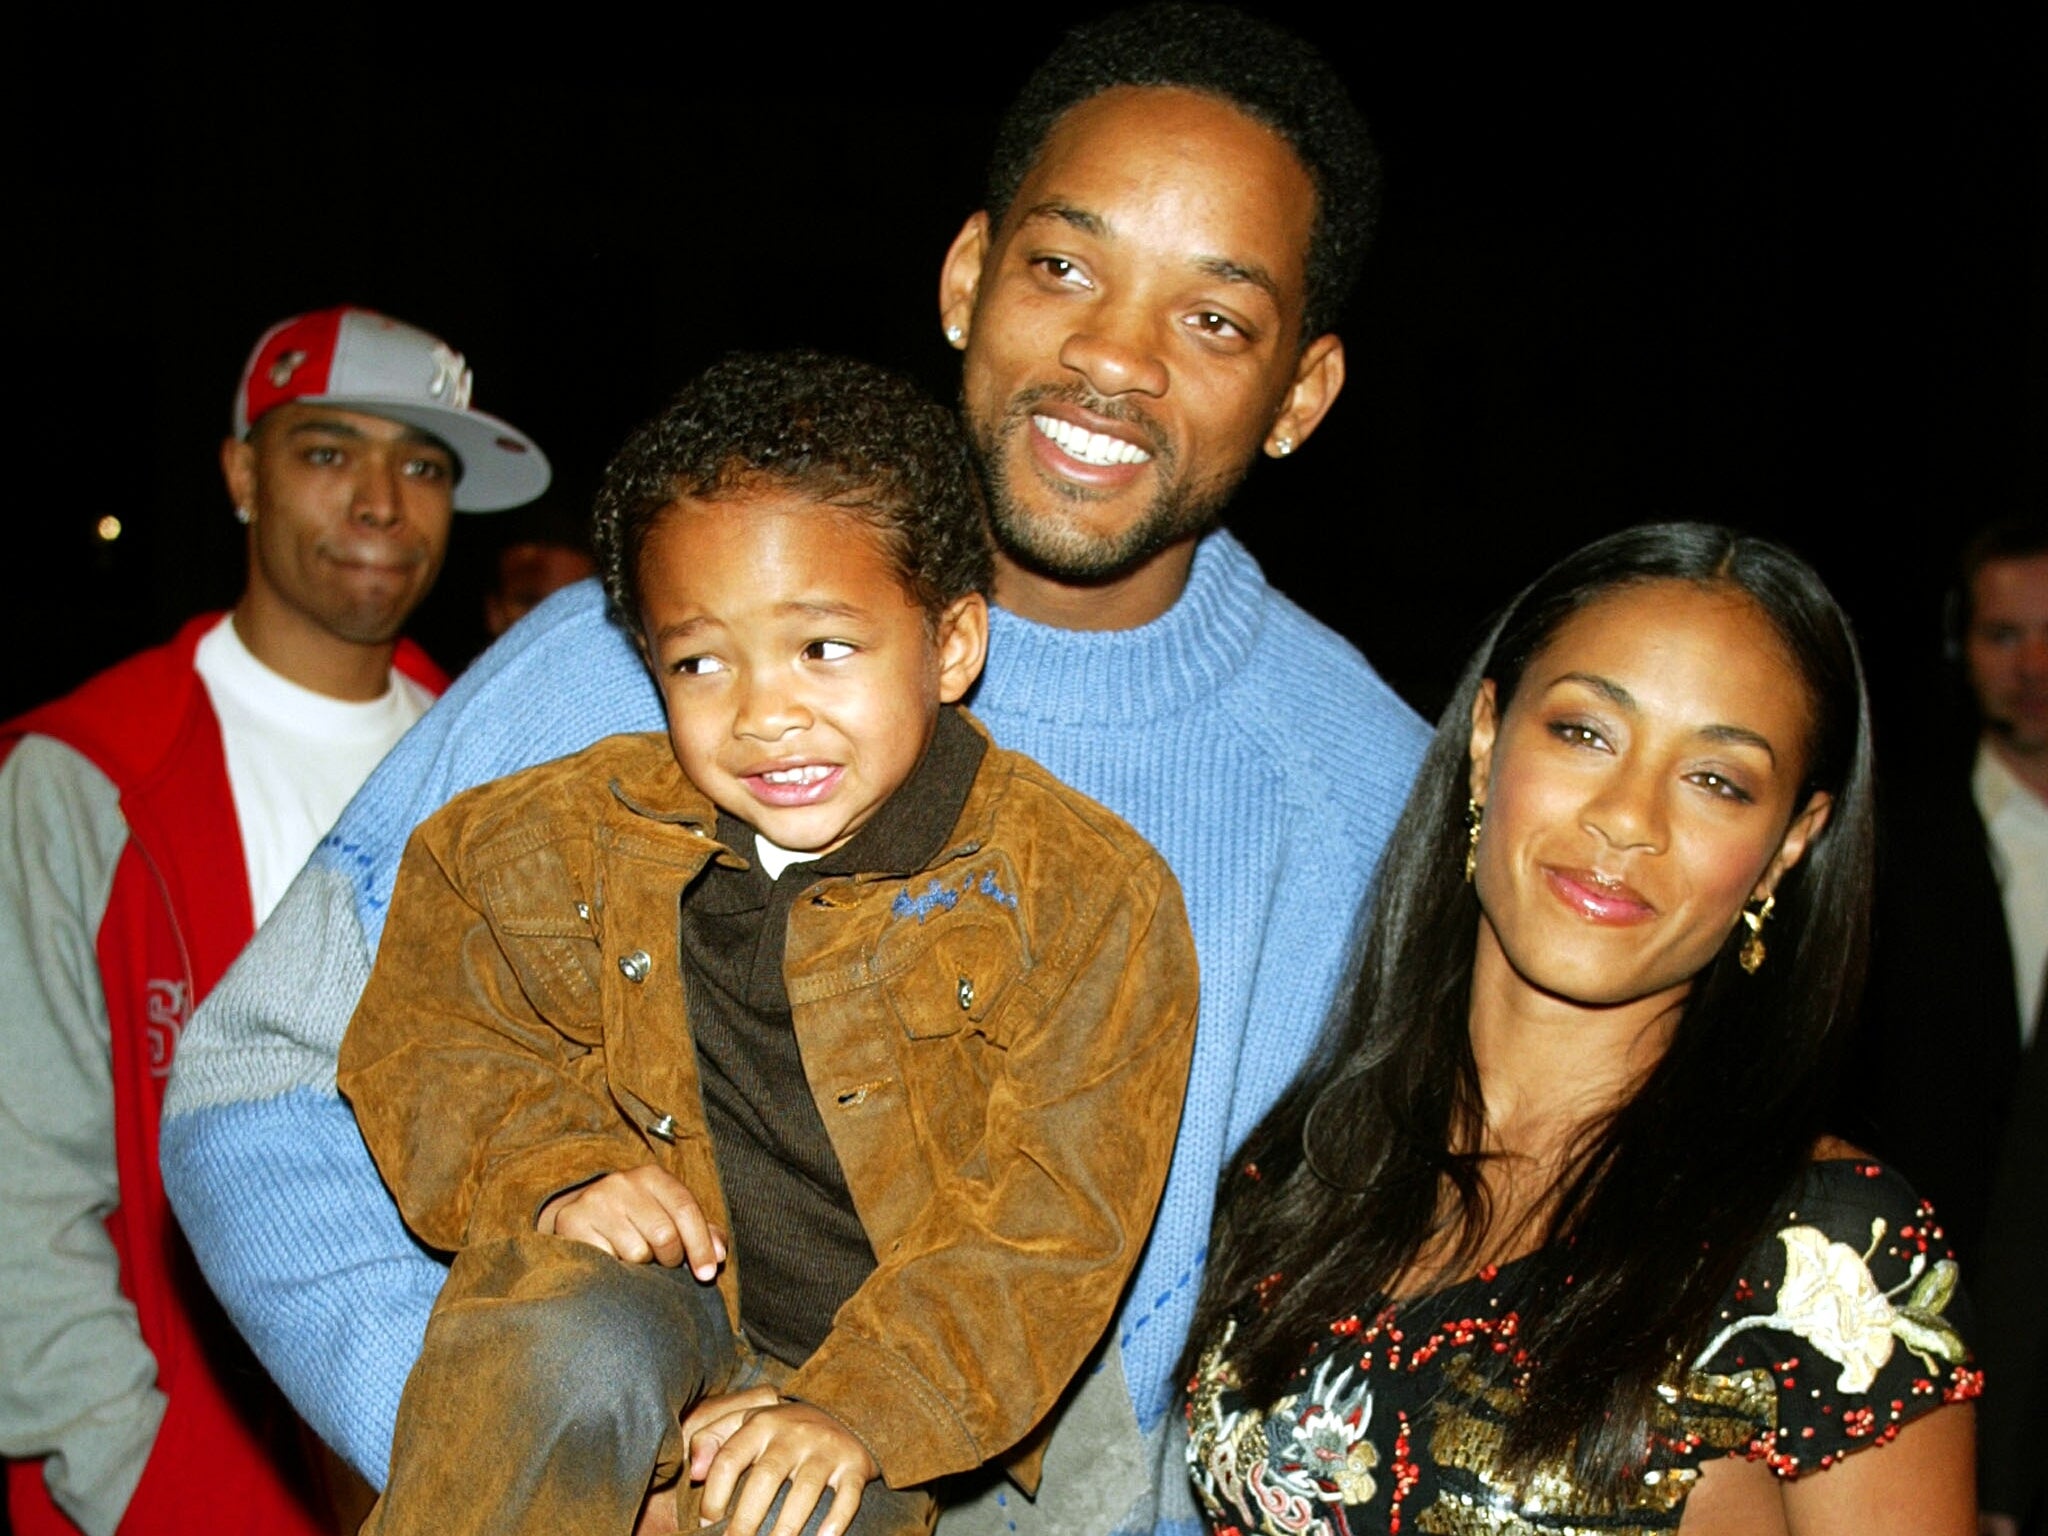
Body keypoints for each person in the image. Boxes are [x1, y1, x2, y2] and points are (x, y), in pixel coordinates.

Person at [158, 9, 1430, 1533]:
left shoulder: (1376, 801)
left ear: (1304, 390)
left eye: (1215, 319)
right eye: (1064, 267)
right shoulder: (622, 653)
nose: (1112, 358)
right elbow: (258, 1078)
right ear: (969, 278)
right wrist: (537, 1459)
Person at [336, 351, 1197, 1536]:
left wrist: (853, 1408)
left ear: (951, 644)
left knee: (794, 1512)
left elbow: (1049, 1231)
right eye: (700, 661)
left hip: (897, 1378)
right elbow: (434, 1031)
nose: (762, 712)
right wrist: (555, 1170)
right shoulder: (558, 834)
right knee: (554, 1342)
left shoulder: (1086, 896)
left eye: (822, 648)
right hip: (658, 1303)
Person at [1182, 523, 1981, 1535]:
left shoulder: (1825, 1253)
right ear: (1484, 740)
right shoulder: (1305, 1158)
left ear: (1786, 847)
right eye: (1584, 733)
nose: (1627, 818)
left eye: (1715, 782)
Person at [0, 306, 549, 1536]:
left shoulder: (502, 765)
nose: (378, 502)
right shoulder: (89, 777)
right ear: (242, 474)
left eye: (422, 466)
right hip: (178, 1481)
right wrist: (134, 1475)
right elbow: (19, 1186)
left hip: (447, 1475)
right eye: (326, 452)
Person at [1847, 517, 2047, 1533]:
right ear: (1957, 649)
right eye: (2002, 636)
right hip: (1932, 1344)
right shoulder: (1893, 848)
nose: (2033, 666)